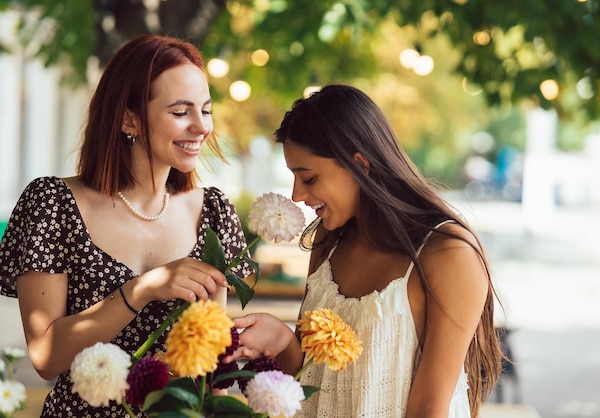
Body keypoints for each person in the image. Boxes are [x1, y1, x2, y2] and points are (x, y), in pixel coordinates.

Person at [0, 34, 250, 417]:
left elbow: (207, 360)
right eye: (181, 112)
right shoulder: (52, 204)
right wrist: (142, 290)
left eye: (206, 109)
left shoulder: (214, 213)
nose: (202, 127)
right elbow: (45, 356)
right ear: (128, 117)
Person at [224, 84, 502, 418]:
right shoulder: (330, 241)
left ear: (360, 164)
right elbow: (311, 377)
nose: (296, 194)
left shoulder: (448, 253)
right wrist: (282, 340)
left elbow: (429, 408)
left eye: (308, 178)